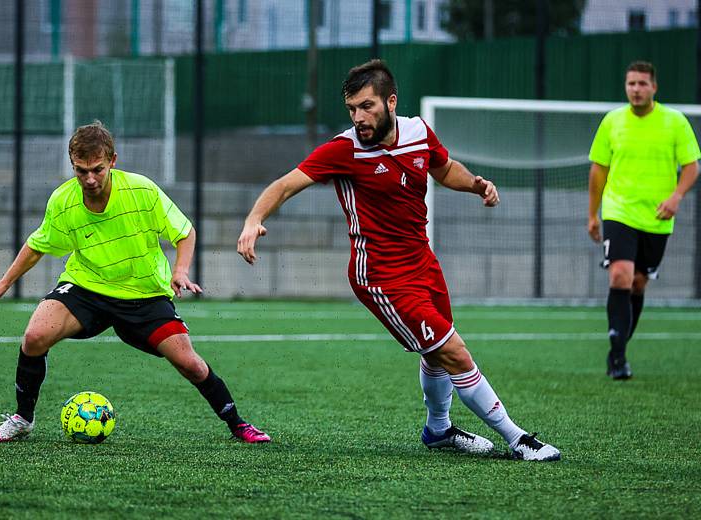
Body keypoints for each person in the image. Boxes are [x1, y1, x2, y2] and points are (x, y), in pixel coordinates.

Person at [237, 60, 560, 461]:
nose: (359, 117)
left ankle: (439, 431)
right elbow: (285, 185)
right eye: (352, 108)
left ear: (391, 102)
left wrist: (476, 185)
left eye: (367, 106)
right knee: (454, 351)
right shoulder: (345, 149)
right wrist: (253, 220)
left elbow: (444, 169)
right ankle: (518, 439)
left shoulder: (419, 132)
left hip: (422, 262)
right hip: (380, 276)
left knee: (436, 352)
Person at [0, 121, 270, 444]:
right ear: (72, 165)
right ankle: (22, 419)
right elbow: (38, 244)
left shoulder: (141, 191)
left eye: (97, 170)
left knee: (190, 364)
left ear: (113, 161)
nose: (89, 179)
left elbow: (184, 232)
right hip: (86, 287)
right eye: (80, 170)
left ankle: (237, 424)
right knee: (34, 337)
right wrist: (4, 282)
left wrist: (180, 270)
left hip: (143, 295)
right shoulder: (63, 201)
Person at [588, 61, 700, 380]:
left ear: (654, 87)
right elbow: (599, 171)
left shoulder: (674, 122)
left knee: (638, 283)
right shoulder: (612, 121)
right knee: (620, 276)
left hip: (657, 217)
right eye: (631, 84)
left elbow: (692, 166)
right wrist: (592, 215)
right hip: (618, 210)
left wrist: (677, 196)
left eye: (642, 84)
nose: (636, 89)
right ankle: (620, 358)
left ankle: (617, 350)